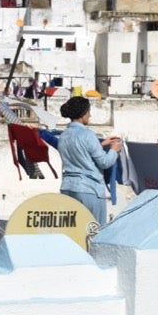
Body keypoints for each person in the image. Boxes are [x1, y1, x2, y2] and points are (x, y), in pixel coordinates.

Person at [56, 95, 121, 229]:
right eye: (88, 112)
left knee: (74, 232)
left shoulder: (64, 135)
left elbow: (79, 152)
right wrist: (114, 150)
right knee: (94, 232)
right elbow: (104, 162)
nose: (89, 116)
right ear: (83, 113)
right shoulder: (88, 134)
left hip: (68, 188)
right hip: (89, 189)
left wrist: (101, 145)